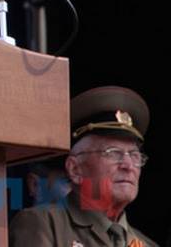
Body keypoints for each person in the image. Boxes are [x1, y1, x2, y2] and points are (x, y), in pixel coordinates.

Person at [9, 86, 158, 246]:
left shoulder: (147, 244)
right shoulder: (43, 224)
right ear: (75, 169)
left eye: (134, 155)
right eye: (113, 153)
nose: (128, 165)